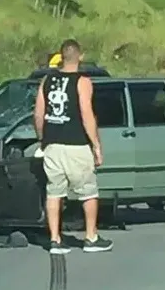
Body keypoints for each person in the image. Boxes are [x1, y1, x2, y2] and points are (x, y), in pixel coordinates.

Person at [33, 39, 113, 254]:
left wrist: (43, 138)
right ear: (80, 56)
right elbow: (86, 114)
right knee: (88, 192)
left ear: (61, 56)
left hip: (52, 145)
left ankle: (55, 239)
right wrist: (96, 145)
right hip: (76, 144)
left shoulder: (47, 80)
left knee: (54, 192)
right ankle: (91, 237)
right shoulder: (83, 82)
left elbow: (39, 114)